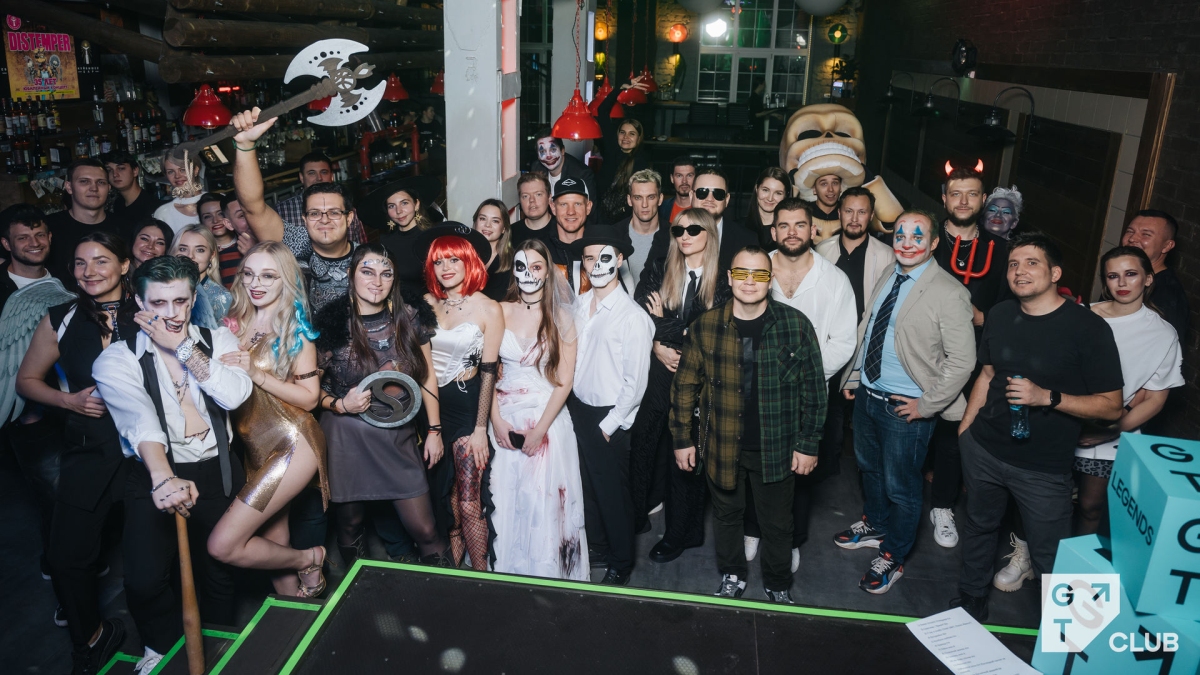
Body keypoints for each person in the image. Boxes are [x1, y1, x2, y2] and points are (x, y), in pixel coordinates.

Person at [92, 255, 254, 674]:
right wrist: (163, 477)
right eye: (158, 303)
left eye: (180, 301)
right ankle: (159, 648)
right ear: (138, 301)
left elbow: (234, 395)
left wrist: (180, 347)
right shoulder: (116, 359)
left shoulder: (217, 339)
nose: (171, 314)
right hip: (155, 471)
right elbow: (140, 421)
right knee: (145, 578)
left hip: (217, 468)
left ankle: (217, 648)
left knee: (218, 572)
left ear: (193, 298)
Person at [951, 232, 1123, 622]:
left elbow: (1112, 406)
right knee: (979, 526)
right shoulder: (1000, 314)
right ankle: (971, 598)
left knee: (1051, 554)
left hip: (1043, 468)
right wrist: (966, 429)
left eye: (1032, 263)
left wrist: (1048, 397)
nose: (1020, 271)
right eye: (1013, 264)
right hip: (984, 449)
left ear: (1055, 273)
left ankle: (1067, 636)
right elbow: (987, 374)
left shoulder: (1087, 328)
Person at [672, 247, 826, 604]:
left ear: (770, 281)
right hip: (722, 444)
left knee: (778, 523)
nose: (749, 282)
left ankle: (778, 582)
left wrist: (808, 444)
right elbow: (684, 388)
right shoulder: (706, 326)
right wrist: (682, 439)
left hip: (777, 447)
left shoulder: (796, 325)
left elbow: (815, 391)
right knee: (727, 517)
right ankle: (732, 574)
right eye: (742, 273)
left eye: (759, 274)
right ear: (729, 277)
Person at [835, 209, 975, 594]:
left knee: (902, 487)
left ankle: (894, 554)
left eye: (917, 236)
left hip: (906, 408)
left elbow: (963, 361)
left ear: (934, 243)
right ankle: (876, 524)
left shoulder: (950, 292)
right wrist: (855, 376)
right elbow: (869, 328)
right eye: (900, 235)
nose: (907, 243)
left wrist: (925, 406)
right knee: (869, 469)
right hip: (868, 395)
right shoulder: (890, 273)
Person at [16, 232, 134, 675]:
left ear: (124, 265)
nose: (89, 271)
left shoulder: (150, 309)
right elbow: (27, 381)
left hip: (146, 452)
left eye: (101, 260)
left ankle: (167, 638)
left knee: (152, 559)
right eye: (80, 263)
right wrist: (68, 401)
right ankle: (92, 640)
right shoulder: (60, 318)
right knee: (67, 556)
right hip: (89, 447)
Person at [200, 241, 330, 597]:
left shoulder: (295, 331)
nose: (256, 283)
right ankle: (295, 617)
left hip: (292, 442)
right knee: (274, 541)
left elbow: (310, 398)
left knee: (223, 544)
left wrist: (257, 374)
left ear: (285, 279)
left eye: (268, 276)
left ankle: (310, 558)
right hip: (252, 446)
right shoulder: (231, 324)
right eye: (249, 274)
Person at [313, 244, 452, 568]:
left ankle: (445, 593)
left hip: (397, 433)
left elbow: (427, 376)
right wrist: (340, 404)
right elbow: (308, 391)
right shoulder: (332, 322)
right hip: (347, 436)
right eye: (367, 272)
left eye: (385, 273)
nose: (377, 281)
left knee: (425, 529)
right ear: (351, 275)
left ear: (394, 279)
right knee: (349, 524)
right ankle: (359, 589)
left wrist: (434, 430)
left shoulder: (411, 315)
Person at [743, 198, 855, 570]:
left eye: (800, 225)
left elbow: (844, 341)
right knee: (752, 461)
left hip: (809, 394)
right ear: (773, 231)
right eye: (784, 225)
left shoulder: (834, 280)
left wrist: (802, 375)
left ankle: (790, 540)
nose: (792, 232)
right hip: (755, 389)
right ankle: (752, 529)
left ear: (813, 230)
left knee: (800, 469)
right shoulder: (755, 269)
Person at [633, 208, 731, 563]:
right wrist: (657, 343)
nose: (685, 236)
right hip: (659, 371)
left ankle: (681, 534)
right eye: (679, 230)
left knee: (686, 455)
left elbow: (711, 333)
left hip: (700, 379)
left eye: (693, 229)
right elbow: (639, 315)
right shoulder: (660, 266)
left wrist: (663, 325)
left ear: (709, 233)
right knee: (643, 443)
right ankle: (634, 516)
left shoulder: (724, 279)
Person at [487, 239, 589, 579]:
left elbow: (564, 382)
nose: (528, 274)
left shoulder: (562, 316)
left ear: (547, 272)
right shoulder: (498, 311)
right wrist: (495, 421)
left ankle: (548, 581)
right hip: (504, 417)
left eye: (536, 267)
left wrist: (540, 430)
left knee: (543, 504)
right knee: (505, 501)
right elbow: (486, 373)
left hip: (548, 420)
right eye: (521, 267)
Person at [927, 167, 1009, 549]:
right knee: (911, 429)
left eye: (972, 194)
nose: (963, 201)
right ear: (944, 198)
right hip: (922, 350)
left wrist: (982, 317)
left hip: (973, 356)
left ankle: (942, 505)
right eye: (956, 193)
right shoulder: (927, 240)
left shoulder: (1001, 250)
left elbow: (1012, 309)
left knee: (954, 430)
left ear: (983, 200)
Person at [568, 225, 655, 585]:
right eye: (589, 258)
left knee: (613, 495)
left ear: (619, 260)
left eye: (604, 257)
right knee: (587, 487)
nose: (596, 265)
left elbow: (636, 384)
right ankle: (600, 548)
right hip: (578, 409)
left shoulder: (632, 317)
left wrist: (610, 425)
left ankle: (621, 562)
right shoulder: (580, 304)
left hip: (609, 417)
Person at [1074, 246, 1183, 535]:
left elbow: (1156, 399)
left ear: (1148, 279)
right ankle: (1029, 552)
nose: (1122, 283)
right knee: (1044, 499)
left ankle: (1078, 563)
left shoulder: (1163, 333)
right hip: (1062, 419)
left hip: (1111, 430)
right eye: (1113, 276)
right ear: (1105, 282)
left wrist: (1111, 430)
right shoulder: (1081, 315)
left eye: (1131, 274)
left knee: (1090, 506)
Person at [420, 224, 504, 570]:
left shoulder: (488, 308)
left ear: (469, 261)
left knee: (470, 502)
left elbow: (489, 372)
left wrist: (481, 428)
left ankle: (482, 576)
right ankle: (455, 573)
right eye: (439, 261)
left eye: (454, 259)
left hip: (468, 405)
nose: (446, 267)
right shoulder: (427, 303)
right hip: (431, 406)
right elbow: (422, 367)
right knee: (447, 499)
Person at [230, 108, 356, 312]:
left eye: (334, 212)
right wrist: (245, 145)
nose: (324, 219)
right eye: (314, 213)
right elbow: (252, 207)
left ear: (349, 218)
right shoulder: (294, 244)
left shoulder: (365, 259)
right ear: (304, 219)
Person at [645, 168, 758, 275]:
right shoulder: (666, 237)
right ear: (691, 196)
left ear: (727, 199)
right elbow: (647, 281)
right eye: (702, 192)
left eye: (718, 194)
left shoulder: (746, 239)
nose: (709, 199)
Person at [815, 187, 895, 323]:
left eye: (862, 212)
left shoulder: (886, 256)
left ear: (871, 215)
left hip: (864, 332)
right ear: (839, 213)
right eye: (848, 211)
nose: (854, 219)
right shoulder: (822, 250)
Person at [46, 158, 128, 283]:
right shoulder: (48, 228)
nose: (94, 188)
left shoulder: (126, 227)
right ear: (69, 187)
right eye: (84, 181)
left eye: (101, 182)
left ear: (109, 188)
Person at [359, 177, 440, 300]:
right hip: (396, 305)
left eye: (404, 203)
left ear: (416, 204)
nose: (399, 211)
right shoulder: (385, 241)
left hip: (428, 305)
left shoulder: (431, 238)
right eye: (392, 206)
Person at [272, 151, 367, 245]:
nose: (319, 178)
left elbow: (361, 249)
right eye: (311, 173)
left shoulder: (346, 208)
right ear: (301, 177)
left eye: (324, 172)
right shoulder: (282, 211)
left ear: (332, 176)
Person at [1121, 209, 1189, 340]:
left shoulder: (1166, 295)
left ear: (1167, 246)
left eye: (1146, 234)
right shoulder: (1121, 277)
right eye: (1130, 231)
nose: (1132, 238)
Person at [595, 80, 651, 222]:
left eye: (632, 134)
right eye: (622, 132)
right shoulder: (611, 148)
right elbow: (602, 111)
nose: (626, 137)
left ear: (638, 139)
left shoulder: (641, 162)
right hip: (599, 215)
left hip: (625, 220)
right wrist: (619, 88)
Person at [171, 224, 232, 330]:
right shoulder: (162, 289)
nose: (190, 256)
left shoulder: (221, 297)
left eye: (200, 250)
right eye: (183, 249)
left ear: (212, 255)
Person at [543, 176, 594, 293]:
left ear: (588, 207)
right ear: (553, 208)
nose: (571, 212)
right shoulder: (541, 251)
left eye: (577, 204)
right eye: (563, 204)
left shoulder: (600, 249)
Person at [622, 169, 666, 286]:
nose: (644, 204)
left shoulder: (673, 235)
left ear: (660, 199)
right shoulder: (615, 235)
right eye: (638, 198)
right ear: (629, 200)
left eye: (651, 197)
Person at [529, 130, 598, 202]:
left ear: (562, 150)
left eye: (553, 149)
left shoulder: (582, 174)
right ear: (538, 156)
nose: (548, 156)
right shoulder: (536, 168)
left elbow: (591, 207)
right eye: (542, 151)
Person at [104, 150, 164, 225]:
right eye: (109, 170)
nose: (115, 174)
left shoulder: (153, 207)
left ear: (135, 171)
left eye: (121, 168)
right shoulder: (117, 204)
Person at [151, 150, 204, 234]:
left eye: (183, 170)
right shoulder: (163, 213)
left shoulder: (216, 201)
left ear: (196, 170)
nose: (177, 176)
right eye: (171, 172)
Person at [473, 199, 514, 302]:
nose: (487, 225)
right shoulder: (462, 257)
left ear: (504, 228)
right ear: (475, 222)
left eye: (495, 221)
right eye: (483, 219)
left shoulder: (513, 261)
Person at [198, 193, 242, 289]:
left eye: (220, 214)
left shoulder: (246, 245)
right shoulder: (202, 255)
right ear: (201, 223)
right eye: (207, 216)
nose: (215, 220)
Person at [745, 167, 792, 251]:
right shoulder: (737, 228)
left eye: (778, 193)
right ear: (756, 189)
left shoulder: (791, 232)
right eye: (765, 190)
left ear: (785, 196)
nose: (770, 198)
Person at [511, 172, 554, 245]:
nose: (531, 200)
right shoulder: (511, 234)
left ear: (549, 198)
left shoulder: (562, 229)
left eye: (538, 194)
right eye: (525, 196)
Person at [661, 157, 697, 225]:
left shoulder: (702, 208)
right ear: (672, 178)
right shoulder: (662, 208)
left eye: (689, 175)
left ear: (695, 178)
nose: (684, 181)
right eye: (679, 176)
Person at [810, 174, 842, 241]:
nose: (830, 189)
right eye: (824, 184)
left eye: (835, 183)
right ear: (814, 189)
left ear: (841, 187)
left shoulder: (848, 213)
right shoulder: (804, 211)